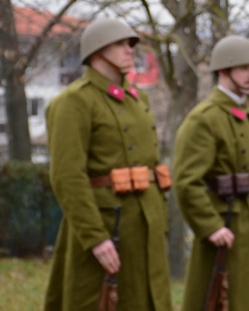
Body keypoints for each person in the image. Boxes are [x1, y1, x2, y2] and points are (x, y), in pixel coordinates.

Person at [43, 18, 172, 311]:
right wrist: (95, 237)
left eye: (131, 45)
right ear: (98, 50)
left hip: (143, 224)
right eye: (121, 44)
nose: (130, 50)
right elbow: (67, 176)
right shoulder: (73, 102)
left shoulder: (139, 99)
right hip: (105, 227)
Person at [173, 35, 249, 311]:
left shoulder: (248, 115)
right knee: (227, 300)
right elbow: (186, 182)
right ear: (224, 70)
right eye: (244, 68)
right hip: (228, 226)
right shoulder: (204, 119)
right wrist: (210, 226)